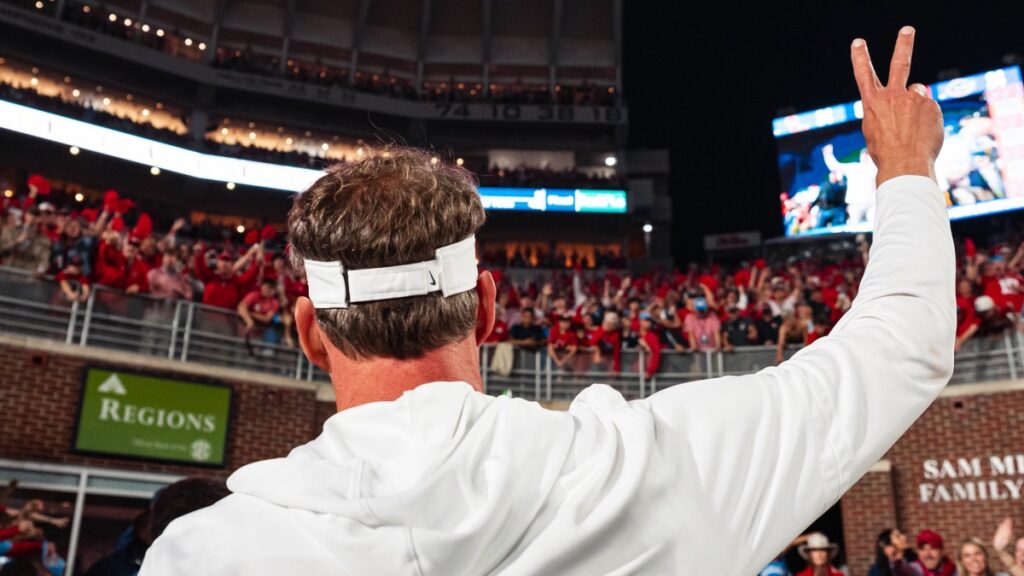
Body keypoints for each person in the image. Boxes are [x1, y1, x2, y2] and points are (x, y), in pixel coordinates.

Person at [142, 30, 955, 574]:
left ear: (310, 332)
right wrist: (904, 166)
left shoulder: (205, 554)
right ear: (486, 308)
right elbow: (901, 345)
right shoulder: (647, 470)